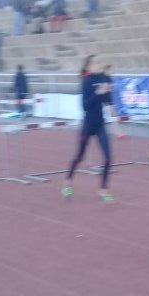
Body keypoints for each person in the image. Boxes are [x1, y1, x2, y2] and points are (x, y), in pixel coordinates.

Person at [63, 55, 115, 202]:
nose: (100, 64)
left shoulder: (102, 78)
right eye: (97, 62)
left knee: (108, 158)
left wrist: (108, 92)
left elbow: (106, 100)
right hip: (88, 125)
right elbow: (85, 106)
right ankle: (68, 181)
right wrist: (98, 93)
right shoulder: (87, 81)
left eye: (100, 62)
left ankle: (103, 189)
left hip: (100, 124)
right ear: (89, 66)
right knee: (80, 157)